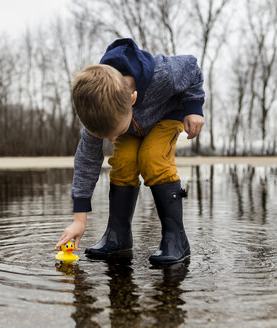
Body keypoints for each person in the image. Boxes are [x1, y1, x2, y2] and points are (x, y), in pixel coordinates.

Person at [55, 38, 205, 264]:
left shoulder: (163, 75)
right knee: (123, 160)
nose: (111, 139)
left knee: (152, 158)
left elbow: (191, 67)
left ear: (132, 99)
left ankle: (176, 239)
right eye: (106, 136)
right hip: (133, 126)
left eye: (114, 132)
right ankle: (118, 236)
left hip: (167, 115)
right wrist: (79, 219)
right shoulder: (101, 102)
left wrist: (194, 108)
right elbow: (86, 163)